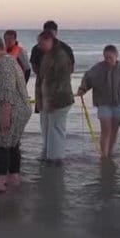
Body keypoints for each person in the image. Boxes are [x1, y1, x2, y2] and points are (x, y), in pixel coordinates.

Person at [0, 33, 32, 193]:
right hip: (18, 110)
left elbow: (7, 92)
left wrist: (4, 118)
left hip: (11, 111)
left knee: (2, 145)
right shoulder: (9, 61)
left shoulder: (4, 65)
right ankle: (13, 178)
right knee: (13, 145)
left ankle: (0, 183)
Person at [76, 45, 120, 159]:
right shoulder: (98, 68)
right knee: (106, 128)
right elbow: (88, 77)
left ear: (116, 56)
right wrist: (82, 89)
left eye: (110, 57)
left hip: (118, 103)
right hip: (103, 102)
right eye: (105, 57)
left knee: (115, 129)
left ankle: (110, 152)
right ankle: (103, 155)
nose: (107, 60)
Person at [35, 30, 74, 164]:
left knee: (56, 129)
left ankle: (56, 158)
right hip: (46, 99)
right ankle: (47, 154)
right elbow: (41, 79)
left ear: (49, 40)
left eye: (41, 43)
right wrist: (40, 100)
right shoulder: (47, 55)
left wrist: (52, 101)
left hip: (60, 100)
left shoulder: (60, 56)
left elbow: (62, 81)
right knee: (47, 128)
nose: (39, 46)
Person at [30, 20, 75, 113]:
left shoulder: (63, 49)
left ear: (56, 33)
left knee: (55, 123)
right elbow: (34, 66)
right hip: (42, 89)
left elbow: (71, 68)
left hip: (59, 93)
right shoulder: (37, 48)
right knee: (45, 122)